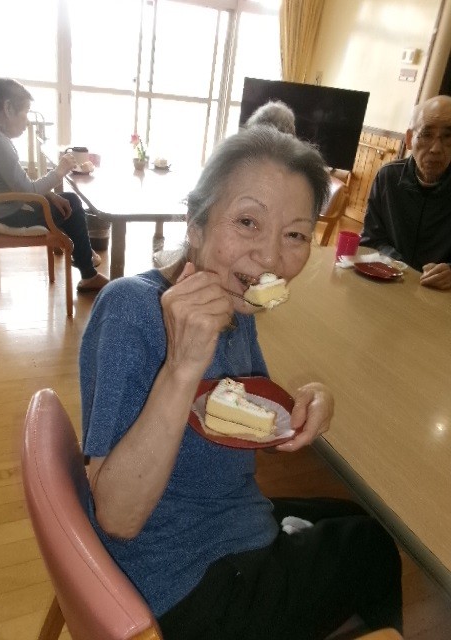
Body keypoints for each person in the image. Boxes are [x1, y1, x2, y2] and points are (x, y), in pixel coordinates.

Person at [80, 125, 403, 640]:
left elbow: (247, 419)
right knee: (374, 547)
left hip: (225, 515)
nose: (271, 258)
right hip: (178, 587)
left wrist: (305, 405)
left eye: (295, 234)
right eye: (248, 222)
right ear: (196, 223)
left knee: (350, 516)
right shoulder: (130, 310)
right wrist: (181, 367)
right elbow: (117, 518)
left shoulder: (234, 303)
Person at [0, 78, 108, 293]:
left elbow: (13, 182)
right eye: (25, 112)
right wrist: (59, 171)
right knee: (72, 204)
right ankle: (87, 269)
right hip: (6, 214)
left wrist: (50, 195)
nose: (27, 121)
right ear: (8, 108)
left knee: (63, 201)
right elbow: (28, 191)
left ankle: (82, 254)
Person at [360, 94, 451, 290]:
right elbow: (371, 239)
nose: (436, 148)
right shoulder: (388, 177)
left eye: (448, 137)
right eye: (426, 134)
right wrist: (400, 265)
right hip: (388, 282)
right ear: (409, 139)